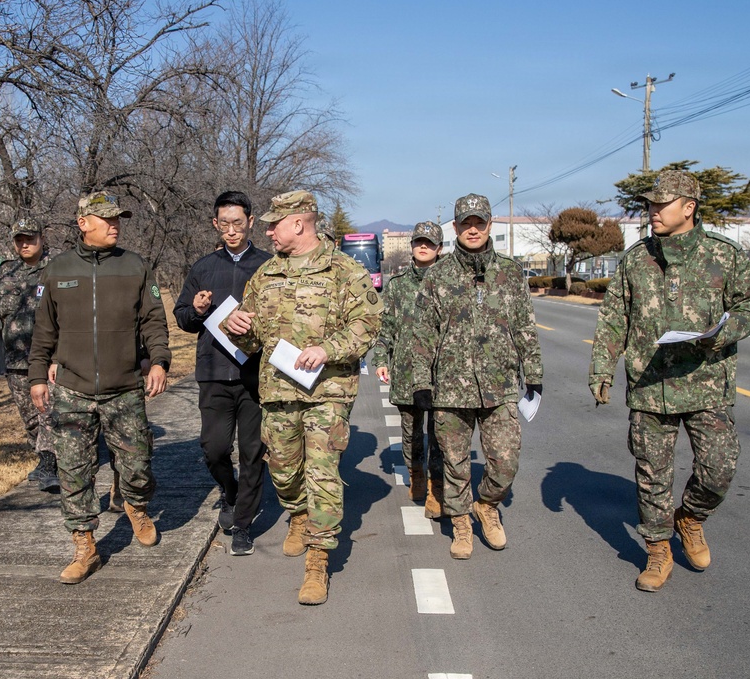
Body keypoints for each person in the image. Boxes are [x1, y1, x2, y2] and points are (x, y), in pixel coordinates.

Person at [589, 170, 750, 592]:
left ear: (688, 208)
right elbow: (614, 318)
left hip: (706, 382)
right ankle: (657, 550)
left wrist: (722, 333)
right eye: (650, 204)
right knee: (652, 474)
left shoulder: (724, 255)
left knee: (719, 467)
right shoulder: (635, 259)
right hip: (650, 386)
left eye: (661, 204)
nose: (653, 211)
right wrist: (601, 368)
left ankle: (690, 518)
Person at [223, 190, 382, 605]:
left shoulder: (345, 271)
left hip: (327, 393)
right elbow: (252, 337)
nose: (267, 231)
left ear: (298, 223)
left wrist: (327, 349)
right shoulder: (265, 275)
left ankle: (317, 561)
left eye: (274, 223)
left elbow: (367, 325)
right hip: (277, 391)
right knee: (283, 470)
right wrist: (234, 324)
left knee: (323, 474)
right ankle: (297, 513)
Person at [28, 190, 171, 585]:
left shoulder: (135, 267)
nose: (114, 225)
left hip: (124, 387)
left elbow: (153, 321)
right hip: (72, 388)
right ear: (82, 223)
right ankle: (85, 544)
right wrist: (37, 376)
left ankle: (136, 505)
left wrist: (158, 361)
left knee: (137, 464)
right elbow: (43, 331)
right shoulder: (56, 270)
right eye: (106, 219)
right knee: (74, 470)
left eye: (118, 219)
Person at [410, 193, 542, 561]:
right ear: (454, 228)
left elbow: (525, 327)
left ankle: (487, 503)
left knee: (505, 462)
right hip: (450, 387)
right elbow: (423, 333)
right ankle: (462, 524)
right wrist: (422, 381)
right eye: (465, 223)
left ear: (489, 226)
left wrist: (534, 374)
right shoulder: (438, 275)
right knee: (454, 462)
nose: (472, 229)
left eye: (479, 223)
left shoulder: (511, 272)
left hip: (499, 385)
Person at [174, 191, 272, 556]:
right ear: (215, 224)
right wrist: (197, 309)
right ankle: (230, 493)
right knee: (214, 449)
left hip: (254, 374)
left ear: (250, 222)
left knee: (252, 451)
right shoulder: (203, 267)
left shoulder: (267, 265)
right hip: (214, 371)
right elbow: (182, 317)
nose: (231, 230)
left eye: (238, 223)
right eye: (224, 224)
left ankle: (243, 524)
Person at [0, 218, 58, 492]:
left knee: (48, 410)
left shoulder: (57, 269)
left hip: (50, 358)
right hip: (15, 360)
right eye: (19, 239)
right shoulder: (5, 272)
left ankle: (50, 463)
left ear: (41, 238)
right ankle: (45, 458)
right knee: (31, 417)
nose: (24, 244)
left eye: (30, 238)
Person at [373, 221, 444, 518]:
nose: (423, 246)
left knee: (440, 430)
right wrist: (381, 359)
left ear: (439, 248)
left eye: (429, 242)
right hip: (405, 368)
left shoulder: (450, 281)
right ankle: (416, 473)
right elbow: (385, 326)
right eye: (419, 242)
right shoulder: (398, 284)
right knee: (411, 430)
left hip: (442, 370)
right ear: (412, 246)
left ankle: (435, 485)